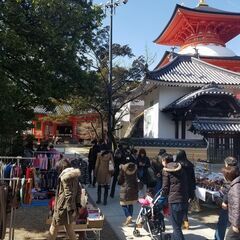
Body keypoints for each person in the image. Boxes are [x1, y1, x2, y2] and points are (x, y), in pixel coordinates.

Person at [48, 159, 81, 240]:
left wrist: (71, 209)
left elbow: (68, 193)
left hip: (63, 208)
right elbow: (79, 191)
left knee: (54, 226)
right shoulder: (74, 176)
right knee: (69, 229)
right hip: (69, 208)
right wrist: (77, 205)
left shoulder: (65, 177)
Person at [162, 154, 189, 240]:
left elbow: (165, 187)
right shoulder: (182, 169)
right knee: (178, 224)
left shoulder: (166, 171)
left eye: (162, 160)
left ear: (165, 161)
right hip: (184, 199)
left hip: (174, 201)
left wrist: (163, 196)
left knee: (176, 227)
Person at [214, 157, 238, 240]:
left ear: (227, 164)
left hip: (229, 204)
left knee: (222, 223)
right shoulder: (237, 171)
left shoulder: (230, 173)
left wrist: (224, 201)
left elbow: (229, 189)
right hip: (233, 204)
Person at [175, 149, 196, 230]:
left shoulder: (177, 165)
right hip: (189, 187)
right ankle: (186, 222)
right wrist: (193, 189)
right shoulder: (190, 164)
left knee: (178, 205)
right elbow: (193, 178)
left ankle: (181, 221)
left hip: (179, 187)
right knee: (185, 205)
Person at [222, 165, 240, 240]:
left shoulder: (236, 187)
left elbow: (237, 206)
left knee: (230, 238)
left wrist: (236, 224)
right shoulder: (235, 184)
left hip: (237, 222)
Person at [118, 161, 138, 226]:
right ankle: (130, 218)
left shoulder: (123, 170)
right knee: (130, 203)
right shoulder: (135, 170)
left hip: (125, 188)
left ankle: (128, 216)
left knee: (123, 204)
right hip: (133, 188)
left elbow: (120, 179)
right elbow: (136, 179)